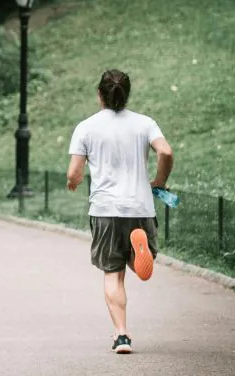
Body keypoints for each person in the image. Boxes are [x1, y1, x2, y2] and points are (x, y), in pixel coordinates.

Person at [66, 69, 174, 354]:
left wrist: (73, 182)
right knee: (135, 264)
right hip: (140, 206)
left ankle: (122, 336)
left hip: (106, 209)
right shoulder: (145, 123)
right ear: (127, 94)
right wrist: (160, 180)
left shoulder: (86, 127)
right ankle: (140, 252)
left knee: (112, 273)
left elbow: (74, 172)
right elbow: (166, 152)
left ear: (99, 94)